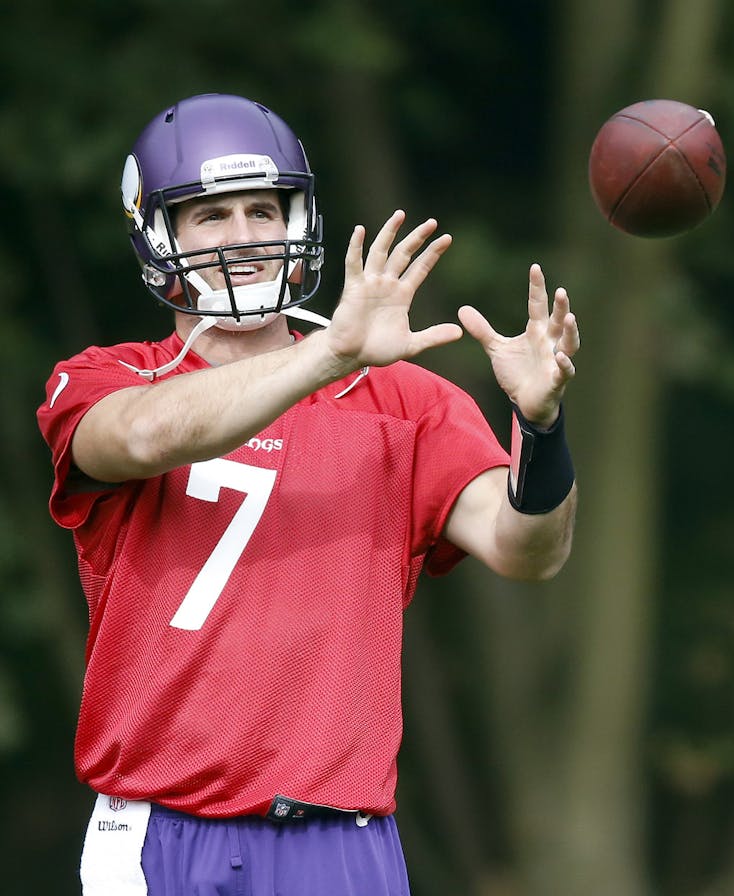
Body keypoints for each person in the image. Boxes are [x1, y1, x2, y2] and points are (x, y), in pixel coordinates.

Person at [36, 93, 581, 895]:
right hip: (159, 829)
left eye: (264, 209)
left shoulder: (405, 402)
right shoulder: (109, 377)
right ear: (158, 236)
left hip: (340, 839)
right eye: (210, 215)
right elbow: (147, 437)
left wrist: (540, 428)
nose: (244, 236)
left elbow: (527, 549)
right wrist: (328, 356)